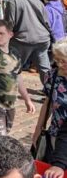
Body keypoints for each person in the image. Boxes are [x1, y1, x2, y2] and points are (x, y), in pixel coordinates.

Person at [7, 0, 52, 85]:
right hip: (42, 37)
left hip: (23, 39)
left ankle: (7, 91)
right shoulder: (37, 1)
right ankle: (50, 91)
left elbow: (9, 23)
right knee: (44, 67)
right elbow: (46, 21)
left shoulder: (13, 1)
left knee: (13, 66)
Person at [33, 40, 67, 178]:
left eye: (64, 61)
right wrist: (38, 130)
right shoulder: (53, 76)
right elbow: (47, 103)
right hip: (56, 132)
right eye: (58, 60)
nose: (60, 65)